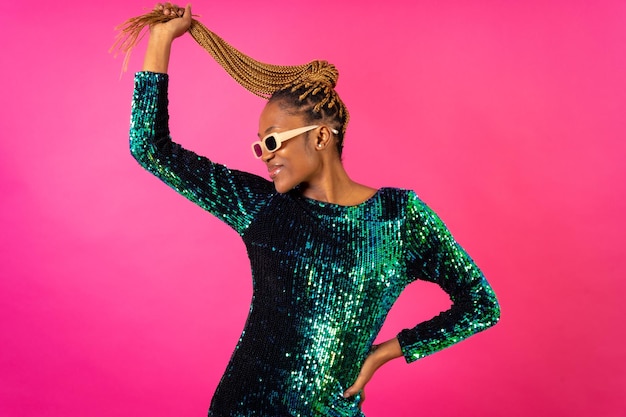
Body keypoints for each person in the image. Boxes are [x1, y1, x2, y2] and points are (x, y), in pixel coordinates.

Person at [123, 3, 500, 416]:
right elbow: (150, 147)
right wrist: (161, 39)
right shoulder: (261, 205)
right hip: (242, 405)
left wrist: (381, 355)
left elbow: (480, 304)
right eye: (259, 144)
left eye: (272, 141)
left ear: (320, 137)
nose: (264, 156)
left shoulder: (399, 218)